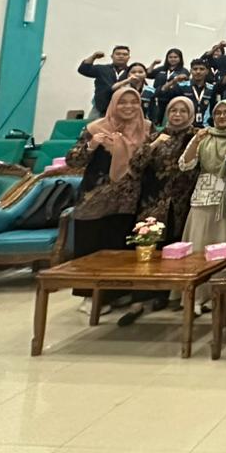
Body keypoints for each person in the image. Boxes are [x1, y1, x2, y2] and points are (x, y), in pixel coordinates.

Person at [66, 86, 152, 314]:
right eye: (122, 102)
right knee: (92, 247)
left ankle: (117, 292)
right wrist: (92, 145)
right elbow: (73, 161)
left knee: (120, 247)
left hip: (128, 200)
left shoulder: (146, 129)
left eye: (133, 102)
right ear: (114, 104)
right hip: (96, 198)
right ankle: (90, 296)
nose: (128, 106)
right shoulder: (95, 128)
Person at [119, 96, 200, 326]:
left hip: (182, 203)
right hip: (153, 201)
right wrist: (153, 145)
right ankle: (139, 299)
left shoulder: (195, 135)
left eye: (183, 111)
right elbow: (135, 165)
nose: (177, 115)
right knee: (147, 250)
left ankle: (165, 293)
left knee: (174, 249)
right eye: (173, 110)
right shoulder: (155, 136)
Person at [179, 99, 226, 314]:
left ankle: (217, 296)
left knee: (223, 247)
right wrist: (196, 141)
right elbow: (185, 164)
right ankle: (195, 297)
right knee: (199, 246)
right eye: (218, 113)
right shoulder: (205, 135)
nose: (222, 116)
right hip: (203, 197)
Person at [77, 45, 131, 117]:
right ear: (112, 56)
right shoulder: (102, 69)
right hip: (100, 108)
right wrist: (93, 57)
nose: (121, 56)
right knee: (93, 124)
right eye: (118, 54)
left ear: (129, 57)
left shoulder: (132, 71)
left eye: (125, 54)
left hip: (124, 108)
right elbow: (83, 69)